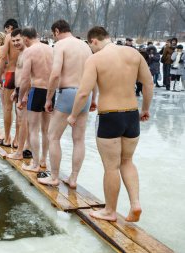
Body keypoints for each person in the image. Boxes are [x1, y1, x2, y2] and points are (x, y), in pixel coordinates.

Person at [67, 26, 153, 222]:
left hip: (109, 116)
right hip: (131, 115)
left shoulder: (96, 59)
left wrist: (73, 115)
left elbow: (83, 92)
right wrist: (145, 109)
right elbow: (148, 84)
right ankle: (135, 204)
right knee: (127, 161)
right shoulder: (133, 53)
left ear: (94, 41)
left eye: (91, 46)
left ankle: (110, 211)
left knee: (111, 167)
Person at [37, 20, 94, 188]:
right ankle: (73, 178)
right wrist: (94, 98)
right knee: (79, 139)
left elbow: (55, 74)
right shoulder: (86, 46)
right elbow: (94, 74)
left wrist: (49, 98)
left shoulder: (61, 45)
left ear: (56, 31)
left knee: (53, 136)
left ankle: (54, 177)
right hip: (85, 93)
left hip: (67, 93)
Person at [18, 27, 54, 172]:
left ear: (26, 39)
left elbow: (25, 78)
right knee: (46, 130)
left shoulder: (29, 51)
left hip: (37, 90)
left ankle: (35, 164)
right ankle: (44, 160)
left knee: (33, 129)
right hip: (51, 91)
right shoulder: (51, 49)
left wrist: (21, 97)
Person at [7, 28, 32, 160]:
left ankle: (23, 150)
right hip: (19, 90)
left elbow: (30, 76)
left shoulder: (28, 52)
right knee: (22, 121)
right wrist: (16, 91)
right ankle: (26, 149)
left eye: (18, 40)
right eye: (13, 41)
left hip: (26, 91)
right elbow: (20, 74)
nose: (16, 43)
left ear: (24, 38)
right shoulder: (21, 53)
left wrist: (25, 93)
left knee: (25, 121)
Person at [0, 18, 20, 148]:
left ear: (10, 27)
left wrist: (0, 76)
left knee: (7, 107)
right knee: (20, 110)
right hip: (24, 75)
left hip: (11, 73)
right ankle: (17, 140)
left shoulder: (9, 37)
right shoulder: (23, 36)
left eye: (6, 29)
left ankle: (7, 138)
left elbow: (3, 58)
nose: (5, 31)